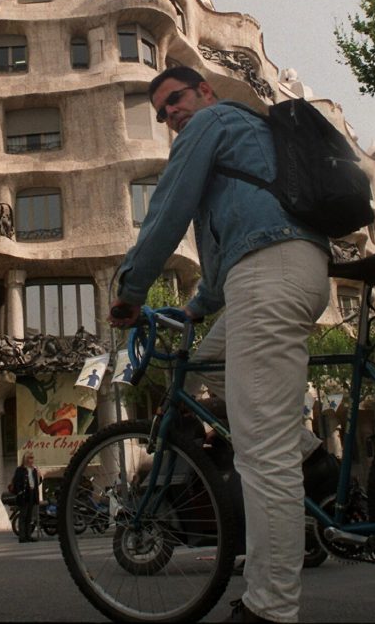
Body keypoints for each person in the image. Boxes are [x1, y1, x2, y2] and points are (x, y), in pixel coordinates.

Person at [109, 66, 331, 622]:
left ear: (204, 91)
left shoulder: (211, 123)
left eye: (174, 100)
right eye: (161, 113)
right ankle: (313, 458)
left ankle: (270, 608)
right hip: (273, 269)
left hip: (269, 272)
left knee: (263, 453)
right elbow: (230, 237)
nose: (170, 115)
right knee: (207, 362)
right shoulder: (242, 141)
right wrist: (195, 308)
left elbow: (167, 209)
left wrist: (130, 291)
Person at [12, 453, 42, 543]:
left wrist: (39, 476)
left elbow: (37, 483)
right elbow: (16, 482)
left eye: (32, 458)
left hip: (32, 494)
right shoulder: (20, 469)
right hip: (24, 495)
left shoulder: (34, 470)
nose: (32, 460)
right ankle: (22, 537)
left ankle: (28, 536)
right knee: (23, 516)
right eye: (30, 458)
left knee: (29, 517)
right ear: (25, 459)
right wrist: (20, 492)